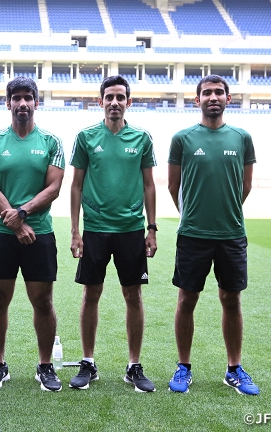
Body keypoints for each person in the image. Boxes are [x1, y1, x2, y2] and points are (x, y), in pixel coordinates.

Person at [167, 75, 259, 395]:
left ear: (228, 99)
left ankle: (233, 368)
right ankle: (183, 367)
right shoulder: (182, 139)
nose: (213, 97)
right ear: (197, 100)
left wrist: (225, 211)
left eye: (219, 92)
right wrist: (193, 214)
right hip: (192, 233)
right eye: (206, 93)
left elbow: (244, 186)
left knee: (231, 299)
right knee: (186, 299)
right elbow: (172, 186)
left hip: (232, 233)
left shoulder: (242, 138)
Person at [69, 75, 157, 393]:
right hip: (94, 230)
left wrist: (152, 229)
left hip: (131, 231)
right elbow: (76, 185)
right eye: (109, 97)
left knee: (133, 296)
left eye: (121, 97)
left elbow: (149, 185)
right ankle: (88, 362)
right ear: (101, 101)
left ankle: (134, 366)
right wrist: (76, 231)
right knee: (90, 295)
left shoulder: (142, 138)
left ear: (128, 102)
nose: (115, 102)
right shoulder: (86, 137)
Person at [0, 76, 65, 392]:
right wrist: (15, 222)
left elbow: (54, 187)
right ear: (8, 103)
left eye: (28, 97)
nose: (22, 103)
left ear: (36, 102)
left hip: (39, 233)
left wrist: (24, 213)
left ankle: (45, 366)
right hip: (1, 234)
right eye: (16, 98)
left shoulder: (51, 142)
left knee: (43, 301)